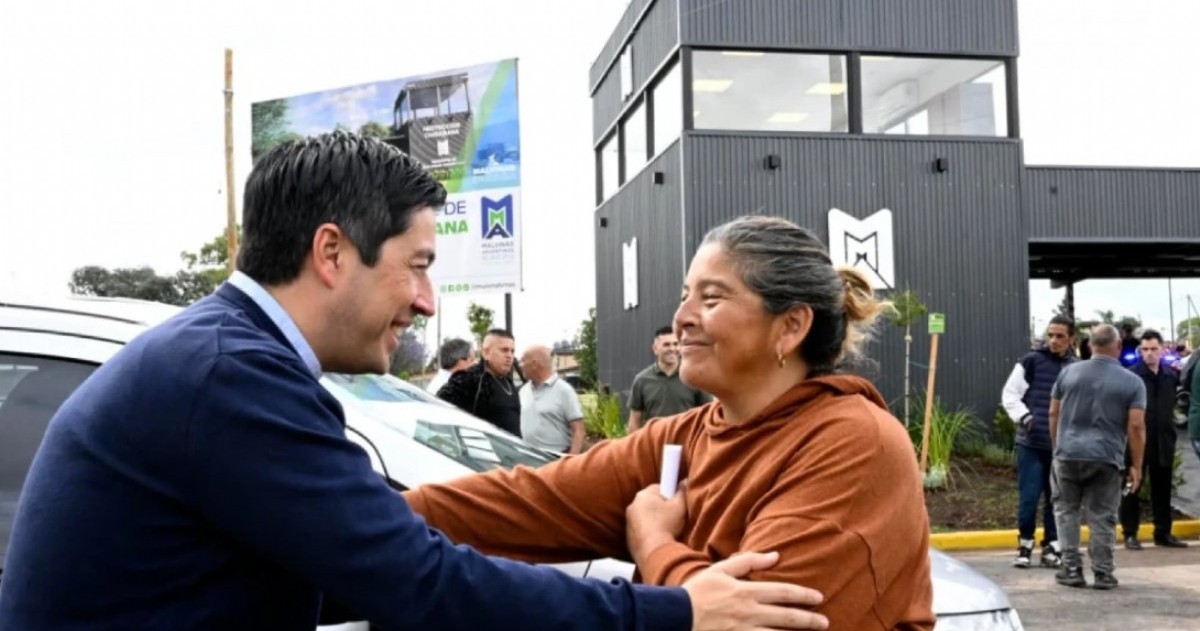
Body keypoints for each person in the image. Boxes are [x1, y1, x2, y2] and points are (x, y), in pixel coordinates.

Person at [0, 134, 829, 631]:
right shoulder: (229, 375)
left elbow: (359, 560)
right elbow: (416, 580)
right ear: (332, 253)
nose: (429, 301)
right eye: (418, 267)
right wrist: (676, 609)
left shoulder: (227, 357)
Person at [403, 216, 936, 630]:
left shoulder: (852, 442)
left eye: (712, 297)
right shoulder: (685, 434)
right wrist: (361, 519)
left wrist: (654, 543)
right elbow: (531, 501)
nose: (682, 317)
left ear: (791, 326)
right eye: (685, 296)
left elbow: (753, 619)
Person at [1048, 324, 1147, 590]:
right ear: (1117, 347)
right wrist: (1136, 465)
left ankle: (1071, 569)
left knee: (1066, 510)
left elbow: (1053, 414)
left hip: (1067, 454)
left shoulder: (1067, 373)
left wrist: (1058, 447)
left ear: (1090, 345)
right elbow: (1136, 426)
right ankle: (1103, 573)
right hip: (1106, 456)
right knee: (1102, 515)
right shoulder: (1133, 382)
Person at [1000, 314, 1075, 569]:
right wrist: (1025, 418)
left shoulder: (1075, 367)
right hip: (1031, 443)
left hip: (1060, 446)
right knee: (1029, 497)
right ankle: (1025, 544)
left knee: (1057, 498)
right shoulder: (1031, 361)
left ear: (1071, 339)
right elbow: (1010, 394)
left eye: (1059, 336)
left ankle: (1052, 547)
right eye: (1050, 334)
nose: (1053, 340)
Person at [1120, 330, 1188, 549]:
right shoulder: (1131, 376)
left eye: (1153, 349)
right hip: (1137, 441)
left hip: (1163, 440)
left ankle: (1163, 532)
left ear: (1162, 350)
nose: (1149, 354)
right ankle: (1130, 532)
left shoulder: (1170, 375)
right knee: (1132, 487)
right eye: (1145, 350)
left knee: (1163, 487)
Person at [438, 328, 522, 436]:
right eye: (504, 350)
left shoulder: (508, 382)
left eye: (512, 351)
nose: (510, 356)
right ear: (486, 352)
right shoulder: (471, 378)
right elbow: (440, 408)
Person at [628, 326, 712, 431]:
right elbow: (634, 420)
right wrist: (636, 446)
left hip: (686, 443)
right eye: (666, 345)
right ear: (655, 349)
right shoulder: (642, 380)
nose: (672, 349)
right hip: (654, 444)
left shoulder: (694, 377)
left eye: (676, 344)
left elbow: (708, 414)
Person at [519, 344, 587, 454]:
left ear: (534, 364)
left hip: (556, 460)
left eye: (522, 361)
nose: (520, 365)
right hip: (530, 459)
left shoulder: (564, 390)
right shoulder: (523, 391)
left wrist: (570, 462)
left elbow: (579, 431)